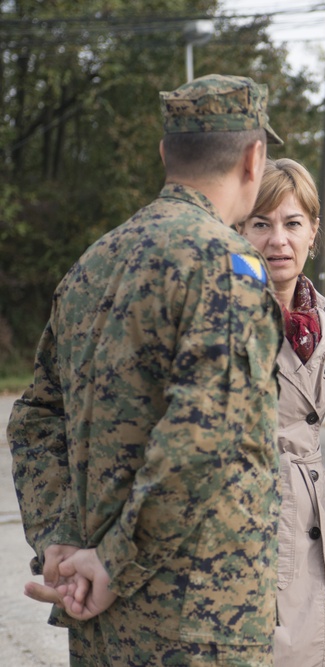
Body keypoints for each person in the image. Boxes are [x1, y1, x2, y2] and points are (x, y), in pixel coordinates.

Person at [7, 74, 285, 664]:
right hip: (200, 615)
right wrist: (112, 560)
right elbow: (204, 434)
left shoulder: (94, 262)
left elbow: (35, 418)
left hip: (105, 619)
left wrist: (60, 539)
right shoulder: (227, 263)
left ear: (165, 154)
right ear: (255, 156)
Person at [238, 158, 325, 666]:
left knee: (320, 641)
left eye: (292, 223)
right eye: (261, 224)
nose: (277, 240)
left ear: (313, 232)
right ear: (238, 230)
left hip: (315, 508)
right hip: (252, 512)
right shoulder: (223, 314)